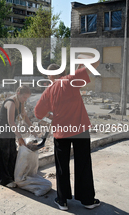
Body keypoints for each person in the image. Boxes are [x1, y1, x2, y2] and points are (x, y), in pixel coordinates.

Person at [34, 55, 101, 211]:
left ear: (50, 75)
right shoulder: (71, 79)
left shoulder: (48, 91)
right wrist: (81, 57)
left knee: (62, 166)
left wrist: (51, 115)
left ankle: (62, 201)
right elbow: (96, 62)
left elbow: (37, 113)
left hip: (61, 133)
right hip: (80, 129)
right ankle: (88, 201)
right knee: (83, 164)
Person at [0, 85, 33, 187]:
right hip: (0, 130)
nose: (25, 100)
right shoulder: (11, 102)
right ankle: (4, 181)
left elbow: (25, 117)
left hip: (9, 131)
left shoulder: (20, 103)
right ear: (18, 94)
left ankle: (12, 177)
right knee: (3, 156)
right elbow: (11, 122)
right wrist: (20, 137)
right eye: (24, 97)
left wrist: (33, 128)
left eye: (27, 98)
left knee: (12, 154)